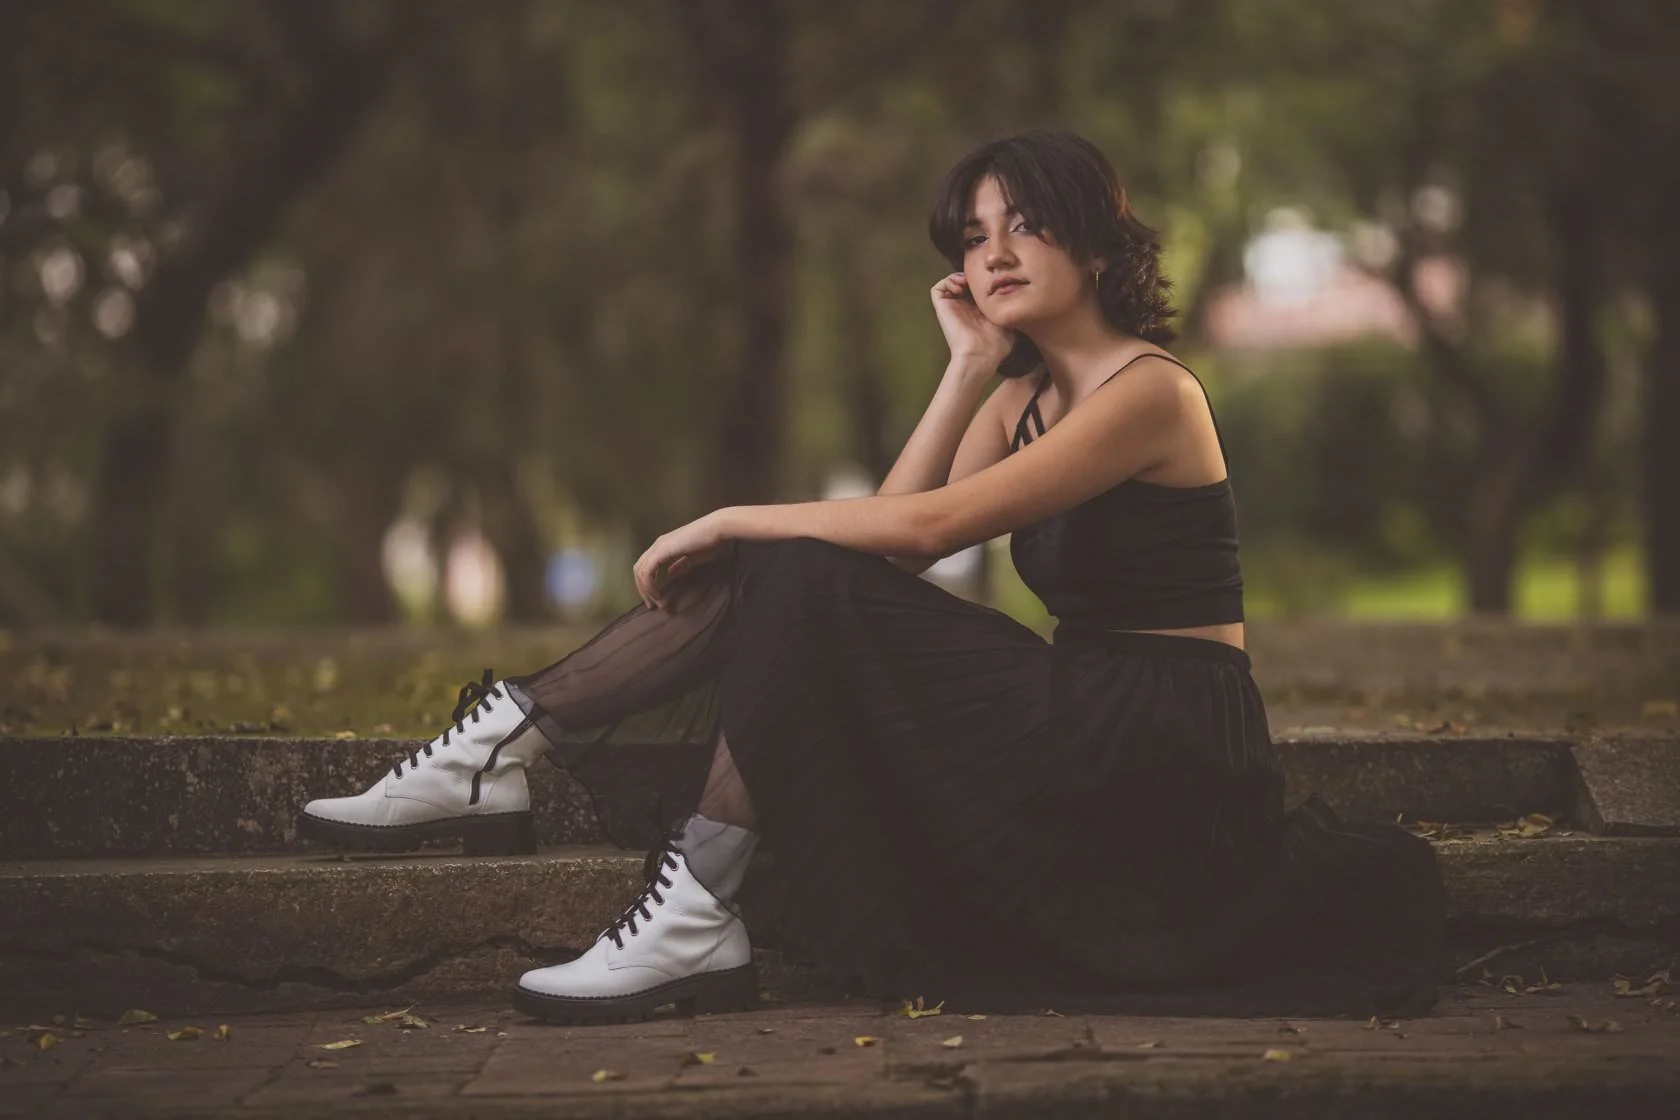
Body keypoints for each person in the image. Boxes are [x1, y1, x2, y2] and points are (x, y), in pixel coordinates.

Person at [297, 129, 1445, 1025]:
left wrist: (725, 518)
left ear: (1098, 244)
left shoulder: (1152, 392)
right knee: (802, 577)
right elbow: (901, 534)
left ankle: (533, 764)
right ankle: (561, 784)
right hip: (1080, 712)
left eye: (1026, 226)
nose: (990, 253)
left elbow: (915, 527)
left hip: (1161, 741)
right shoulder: (1016, 398)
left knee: (796, 567)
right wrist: (968, 370)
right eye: (972, 235)